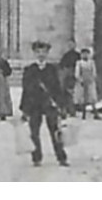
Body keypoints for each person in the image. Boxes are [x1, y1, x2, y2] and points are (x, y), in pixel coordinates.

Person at [19, 40, 68, 168]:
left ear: (47, 53)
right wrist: (24, 109)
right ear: (34, 53)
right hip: (34, 105)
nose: (41, 54)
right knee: (34, 132)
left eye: (44, 52)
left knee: (55, 131)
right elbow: (26, 89)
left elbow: (57, 88)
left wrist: (61, 106)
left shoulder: (52, 69)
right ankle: (36, 157)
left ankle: (61, 157)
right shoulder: (29, 70)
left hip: (49, 104)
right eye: (38, 52)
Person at [73, 47, 100, 119]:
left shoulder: (91, 62)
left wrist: (92, 79)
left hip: (90, 82)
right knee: (83, 98)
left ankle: (95, 113)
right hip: (82, 82)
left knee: (92, 98)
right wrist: (80, 80)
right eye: (83, 54)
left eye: (86, 54)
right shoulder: (79, 63)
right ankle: (83, 113)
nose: (85, 55)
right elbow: (77, 73)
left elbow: (94, 72)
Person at [58, 40, 80, 113]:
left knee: (72, 92)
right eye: (69, 45)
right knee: (64, 91)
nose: (71, 46)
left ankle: (72, 109)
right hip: (66, 73)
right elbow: (62, 65)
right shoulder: (66, 55)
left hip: (74, 73)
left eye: (72, 44)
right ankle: (66, 109)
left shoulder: (77, 55)